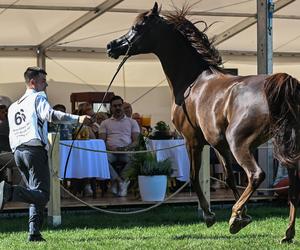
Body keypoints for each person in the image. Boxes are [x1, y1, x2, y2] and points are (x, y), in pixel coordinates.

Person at [0, 66, 90, 242]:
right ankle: (9, 191)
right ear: (32, 82)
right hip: (34, 150)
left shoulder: (14, 106)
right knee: (42, 194)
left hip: (18, 152)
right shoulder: (38, 97)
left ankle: (34, 232)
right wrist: (77, 118)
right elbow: (50, 115)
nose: (46, 84)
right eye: (43, 81)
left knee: (34, 193)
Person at [99, 96, 140, 196]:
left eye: (119, 105)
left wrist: (127, 148)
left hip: (126, 151)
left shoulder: (132, 122)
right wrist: (110, 148)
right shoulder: (105, 123)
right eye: (114, 106)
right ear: (111, 108)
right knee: (100, 159)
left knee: (135, 159)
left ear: (123, 106)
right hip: (110, 151)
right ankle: (119, 182)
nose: (117, 108)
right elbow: (101, 142)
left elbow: (136, 141)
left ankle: (119, 181)